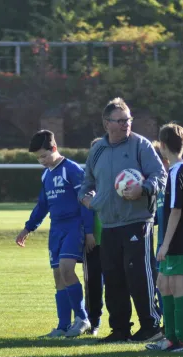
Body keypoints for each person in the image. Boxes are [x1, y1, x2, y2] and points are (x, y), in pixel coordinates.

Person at [79, 97, 166, 343]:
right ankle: (119, 329)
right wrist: (87, 200)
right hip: (108, 224)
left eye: (128, 119)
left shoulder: (141, 145)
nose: (126, 124)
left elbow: (160, 176)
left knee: (139, 274)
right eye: (120, 120)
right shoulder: (97, 151)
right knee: (113, 276)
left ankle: (151, 326)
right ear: (107, 124)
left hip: (138, 221)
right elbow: (86, 183)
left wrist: (144, 188)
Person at [16, 130, 93, 338]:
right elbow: (42, 205)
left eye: (44, 156)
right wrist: (28, 228)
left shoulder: (72, 169)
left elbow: (86, 201)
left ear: (54, 148)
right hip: (56, 229)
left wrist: (90, 231)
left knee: (67, 269)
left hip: (74, 226)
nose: (41, 161)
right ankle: (62, 325)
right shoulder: (46, 174)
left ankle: (83, 318)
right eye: (38, 158)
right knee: (58, 276)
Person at [146, 124, 183, 352]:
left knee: (176, 286)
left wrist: (165, 245)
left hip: (177, 241)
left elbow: (176, 210)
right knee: (163, 284)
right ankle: (170, 338)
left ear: (163, 146)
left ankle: (182, 341)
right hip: (171, 239)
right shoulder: (176, 171)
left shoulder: (178, 172)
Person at [83, 137, 106, 336]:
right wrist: (88, 232)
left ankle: (125, 321)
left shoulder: (115, 176)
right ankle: (94, 321)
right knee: (93, 283)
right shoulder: (87, 179)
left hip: (114, 239)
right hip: (93, 242)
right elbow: (82, 207)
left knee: (121, 282)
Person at [152, 140, 170, 318]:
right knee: (160, 282)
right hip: (160, 243)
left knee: (171, 284)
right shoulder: (158, 187)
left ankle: (171, 324)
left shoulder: (171, 182)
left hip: (171, 244)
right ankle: (163, 319)